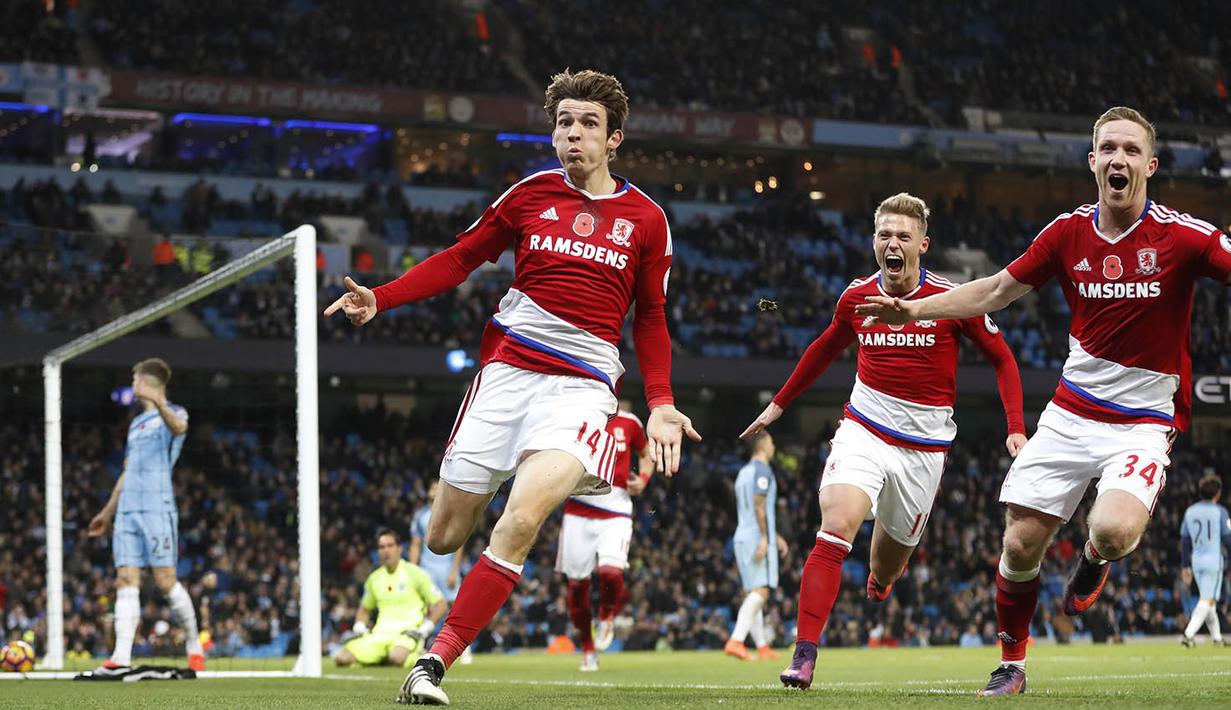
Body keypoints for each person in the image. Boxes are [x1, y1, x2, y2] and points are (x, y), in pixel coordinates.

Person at [324, 68, 700, 706]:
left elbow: (653, 317)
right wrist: (381, 298)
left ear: (614, 141)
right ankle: (519, 471)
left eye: (588, 125)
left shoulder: (646, 218)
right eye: (564, 123)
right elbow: (460, 258)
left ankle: (432, 662)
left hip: (581, 390)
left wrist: (661, 404)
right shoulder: (528, 195)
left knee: (522, 518)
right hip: (504, 379)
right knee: (444, 536)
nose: (573, 135)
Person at [855, 107, 1231, 697]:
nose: (1118, 159)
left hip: (1143, 422)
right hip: (1071, 411)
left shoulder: (1184, 237)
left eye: (1131, 151)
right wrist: (918, 307)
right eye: (1108, 148)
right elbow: (998, 290)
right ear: (1092, 160)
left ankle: (1093, 556)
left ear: (1151, 166)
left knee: (1112, 531)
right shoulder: (1066, 233)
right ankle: (1012, 665)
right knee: (1020, 541)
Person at [744, 192, 1026, 689]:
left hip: (924, 450)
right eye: (884, 235)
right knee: (835, 524)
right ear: (874, 242)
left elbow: (1003, 359)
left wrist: (1016, 428)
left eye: (902, 236)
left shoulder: (949, 301)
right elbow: (824, 347)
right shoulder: (856, 297)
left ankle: (882, 578)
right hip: (864, 429)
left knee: (886, 566)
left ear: (923, 244)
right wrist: (779, 405)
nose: (892, 243)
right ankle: (804, 653)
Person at [87, 358, 203, 674]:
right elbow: (127, 472)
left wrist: (159, 400)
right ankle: (121, 656)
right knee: (125, 578)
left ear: (149, 383)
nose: (133, 384)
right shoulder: (136, 425)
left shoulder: (175, 412)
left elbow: (180, 428)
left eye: (136, 379)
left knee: (165, 582)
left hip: (157, 506)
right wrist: (108, 512)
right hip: (127, 511)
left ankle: (194, 643)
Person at [557, 399, 651, 671]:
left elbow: (646, 456)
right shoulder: (575, 416)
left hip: (616, 508)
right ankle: (588, 648)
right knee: (577, 586)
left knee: (611, 572)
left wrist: (643, 479)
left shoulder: (630, 422)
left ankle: (607, 614)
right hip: (578, 509)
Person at [335, 529, 447, 668]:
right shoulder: (374, 578)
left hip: (406, 634)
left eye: (390, 545)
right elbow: (364, 609)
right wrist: (359, 626)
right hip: (379, 635)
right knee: (342, 658)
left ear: (399, 548)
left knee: (397, 657)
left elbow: (441, 604)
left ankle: (418, 654)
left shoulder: (415, 573)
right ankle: (382, 658)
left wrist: (424, 629)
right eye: (382, 547)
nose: (386, 550)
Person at [724, 431, 787, 662]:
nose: (773, 446)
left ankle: (762, 647)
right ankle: (736, 640)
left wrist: (775, 535)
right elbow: (759, 505)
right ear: (762, 446)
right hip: (756, 536)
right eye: (771, 442)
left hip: (743, 534)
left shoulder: (743, 472)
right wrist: (764, 537)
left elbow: (753, 509)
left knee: (755, 591)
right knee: (762, 591)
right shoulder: (763, 471)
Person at [409, 480, 472, 665]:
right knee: (426, 607)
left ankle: (464, 648)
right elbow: (415, 544)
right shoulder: (420, 516)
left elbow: (459, 544)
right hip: (427, 569)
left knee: (454, 607)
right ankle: (421, 644)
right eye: (431, 487)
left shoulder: (451, 512)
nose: (434, 490)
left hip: (446, 568)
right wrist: (413, 570)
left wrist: (454, 570)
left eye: (438, 487)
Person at [1181, 475, 1230, 647]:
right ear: (1217, 493)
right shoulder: (1220, 511)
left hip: (1196, 561)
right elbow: (1228, 538)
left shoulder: (1190, 511)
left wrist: (1185, 566)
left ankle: (1217, 638)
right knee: (1207, 600)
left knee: (1208, 600)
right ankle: (1188, 634)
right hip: (1213, 560)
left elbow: (1185, 541)